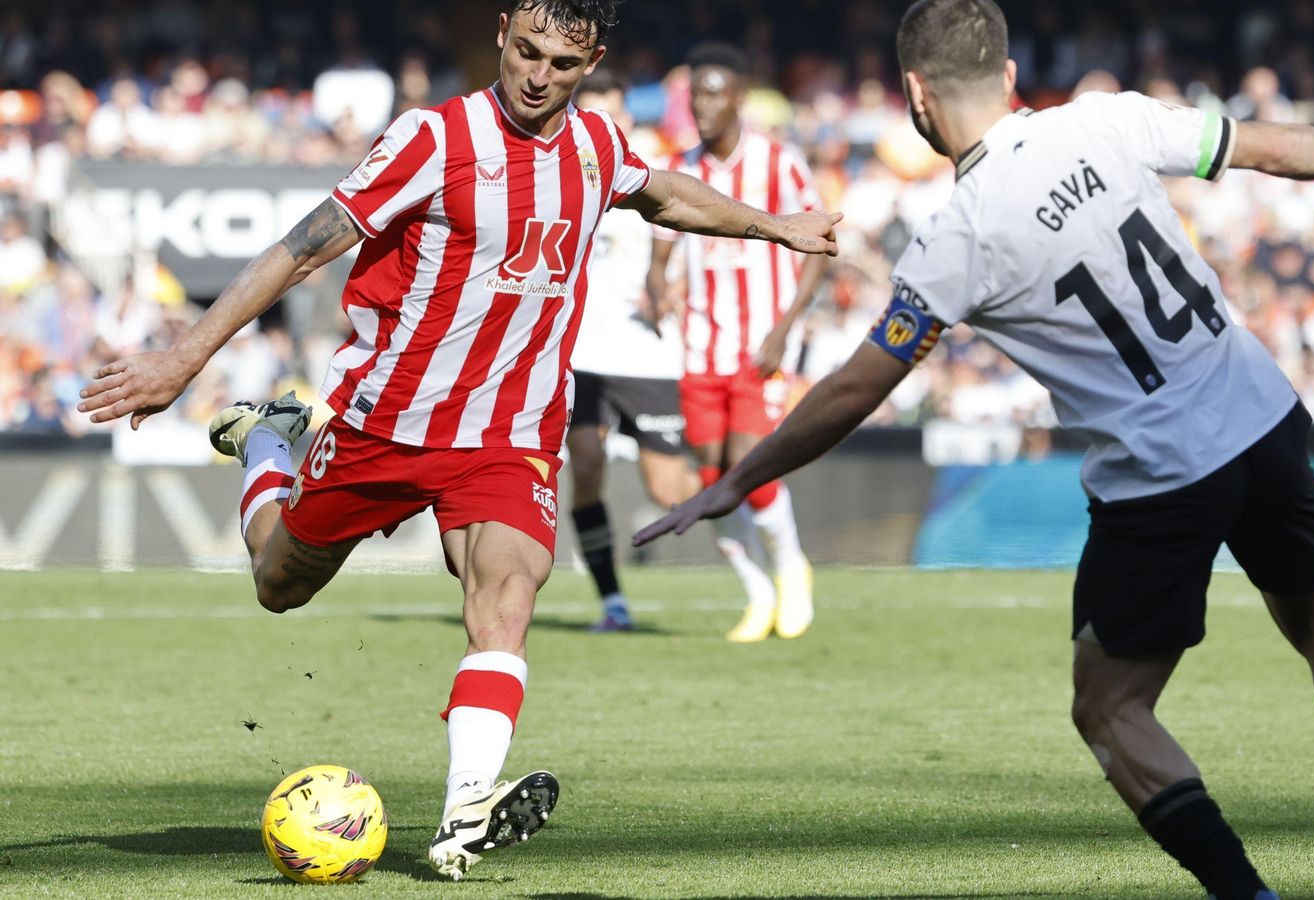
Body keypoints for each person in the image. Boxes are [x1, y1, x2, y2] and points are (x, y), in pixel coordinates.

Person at [635, 2, 1314, 898]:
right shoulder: (1103, 120)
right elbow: (1267, 146)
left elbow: (854, 388)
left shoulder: (956, 236)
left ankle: (1247, 893)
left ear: (915, 95)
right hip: (1260, 416)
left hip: (1162, 470)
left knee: (1110, 708)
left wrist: (739, 479)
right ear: (1005, 76)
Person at [77, 0, 839, 882]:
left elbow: (663, 192)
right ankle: (267, 449)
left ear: (592, 63)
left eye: (561, 64)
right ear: (504, 31)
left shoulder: (595, 147)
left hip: (512, 433)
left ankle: (463, 812)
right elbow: (299, 249)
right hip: (387, 423)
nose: (537, 76)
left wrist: (774, 227)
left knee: (508, 594)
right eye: (527, 51)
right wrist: (182, 358)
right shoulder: (433, 139)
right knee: (279, 583)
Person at [646, 43, 828, 642]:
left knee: (753, 472)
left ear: (740, 98)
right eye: (695, 94)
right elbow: (660, 254)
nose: (702, 105)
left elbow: (819, 242)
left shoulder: (778, 162)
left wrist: (785, 327)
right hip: (700, 348)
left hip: (760, 345)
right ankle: (757, 593)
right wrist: (658, 287)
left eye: (714, 93)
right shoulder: (679, 167)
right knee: (711, 484)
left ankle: (791, 569)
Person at [565, 70, 697, 632]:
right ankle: (612, 602)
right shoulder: (558, 170)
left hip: (645, 354)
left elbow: (689, 245)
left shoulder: (652, 173)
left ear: (627, 117)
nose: (603, 122)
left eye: (613, 112)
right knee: (585, 466)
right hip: (580, 355)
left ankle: (749, 499)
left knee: (669, 489)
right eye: (592, 112)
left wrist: (674, 287)